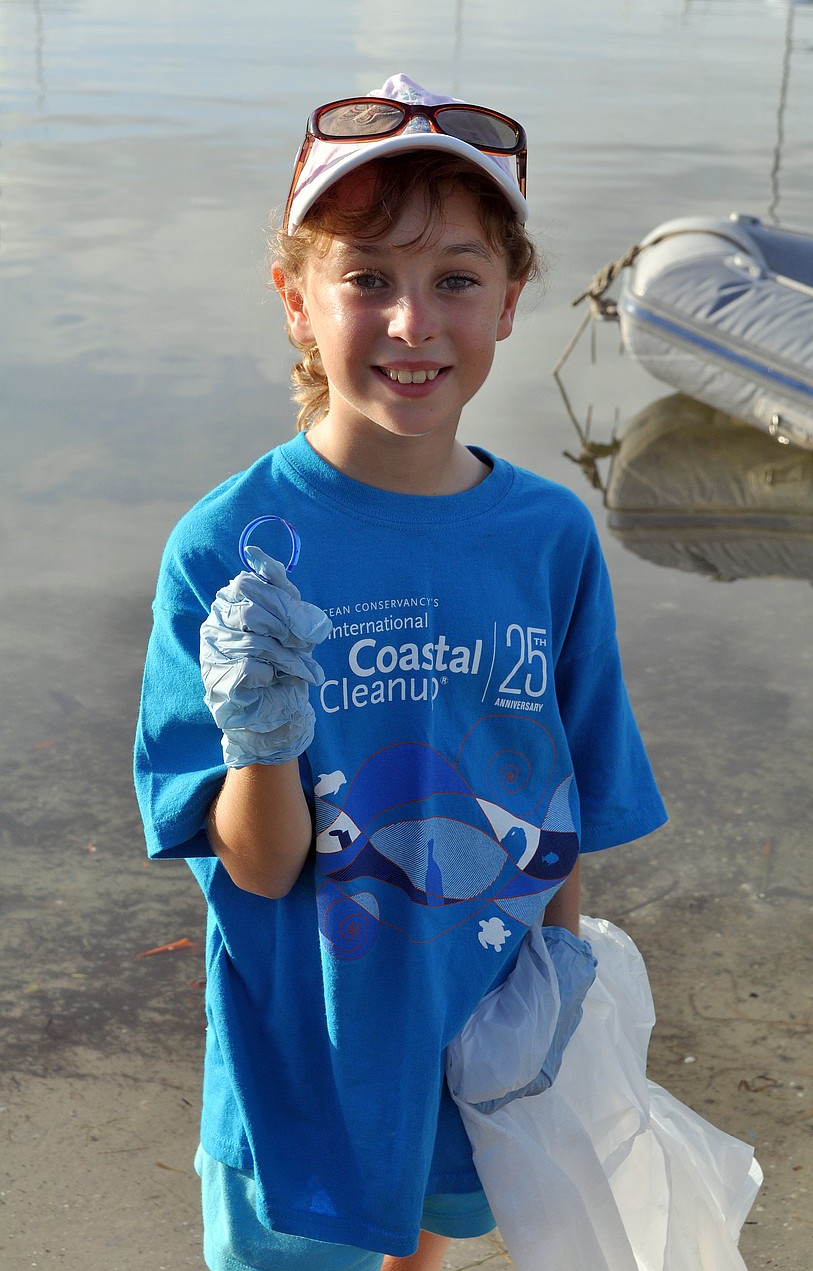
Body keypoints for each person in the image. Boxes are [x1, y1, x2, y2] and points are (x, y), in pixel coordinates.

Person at [134, 73, 667, 1271]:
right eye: (366, 277)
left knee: (429, 1248)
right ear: (294, 299)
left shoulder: (549, 537)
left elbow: (560, 814)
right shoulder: (226, 549)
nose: (414, 324)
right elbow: (264, 866)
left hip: (481, 1044)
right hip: (302, 1068)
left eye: (457, 280)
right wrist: (264, 738)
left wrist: (559, 1010)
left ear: (513, 299)